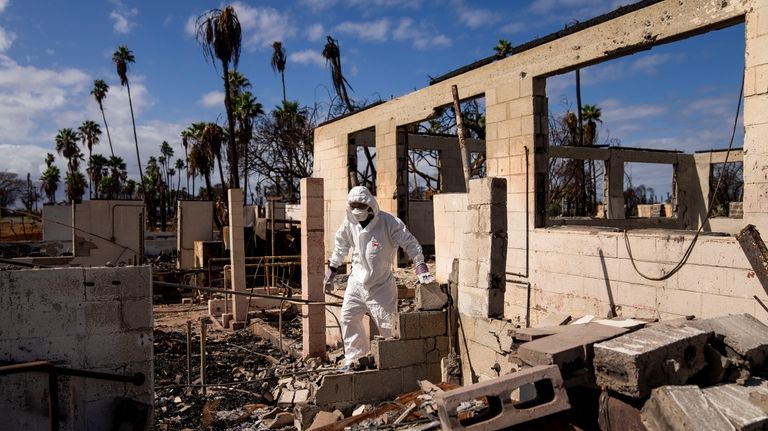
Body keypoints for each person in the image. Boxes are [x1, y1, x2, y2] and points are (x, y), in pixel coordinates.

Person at [324, 186, 434, 369]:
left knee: (388, 326)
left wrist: (420, 267)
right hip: (356, 283)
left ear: (369, 205)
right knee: (348, 318)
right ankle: (354, 359)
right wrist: (331, 272)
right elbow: (340, 246)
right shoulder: (349, 223)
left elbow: (411, 244)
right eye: (353, 205)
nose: (357, 209)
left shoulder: (388, 222)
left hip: (381, 286)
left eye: (361, 205)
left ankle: (392, 363)